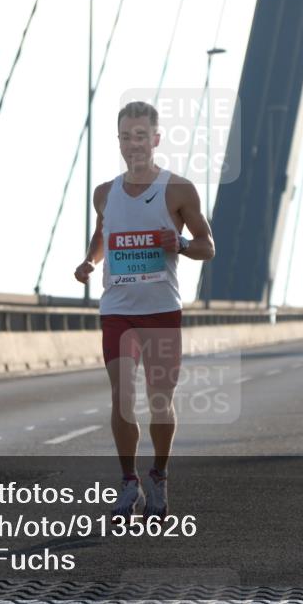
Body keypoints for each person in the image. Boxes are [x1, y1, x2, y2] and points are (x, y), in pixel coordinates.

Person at [74, 101, 215, 519]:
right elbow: (102, 236)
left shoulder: (178, 190)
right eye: (124, 137)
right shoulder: (105, 193)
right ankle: (128, 483)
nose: (132, 144)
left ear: (155, 140)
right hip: (117, 311)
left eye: (140, 136)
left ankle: (159, 474)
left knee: (160, 401)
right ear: (118, 142)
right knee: (122, 398)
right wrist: (89, 262)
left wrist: (183, 245)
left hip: (161, 312)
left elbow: (208, 245)